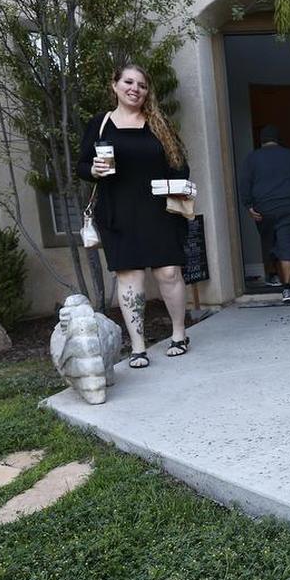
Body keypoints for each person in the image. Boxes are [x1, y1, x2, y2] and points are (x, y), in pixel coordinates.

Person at [76, 64, 191, 369]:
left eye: (141, 85)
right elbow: (81, 165)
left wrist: (177, 188)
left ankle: (179, 334)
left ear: (146, 91)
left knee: (168, 273)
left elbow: (180, 166)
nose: (135, 89)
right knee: (130, 278)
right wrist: (93, 170)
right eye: (128, 82)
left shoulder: (158, 124)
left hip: (159, 210)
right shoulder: (100, 124)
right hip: (117, 210)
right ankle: (138, 347)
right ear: (114, 85)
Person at [239, 125, 290, 304]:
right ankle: (287, 289)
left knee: (269, 242)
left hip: (264, 208)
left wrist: (249, 206)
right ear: (278, 139)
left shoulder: (252, 158)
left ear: (262, 141)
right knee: (286, 245)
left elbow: (244, 183)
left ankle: (273, 275)